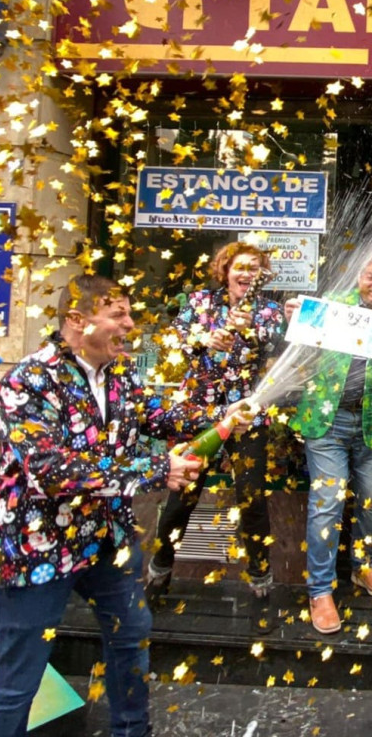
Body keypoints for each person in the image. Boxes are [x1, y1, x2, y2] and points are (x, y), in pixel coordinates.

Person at [0, 274, 250, 737]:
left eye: (129, 313)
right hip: (36, 548)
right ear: (77, 320)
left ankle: (132, 731)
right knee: (19, 677)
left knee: (130, 642)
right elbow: (49, 470)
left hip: (108, 539)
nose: (130, 324)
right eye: (117, 314)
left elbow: (158, 415)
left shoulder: (120, 371)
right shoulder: (30, 379)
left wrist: (219, 417)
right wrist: (155, 470)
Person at [145, 242, 285, 603]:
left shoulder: (268, 309)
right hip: (199, 413)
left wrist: (252, 329)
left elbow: (280, 347)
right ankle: (159, 571)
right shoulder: (199, 302)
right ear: (225, 270)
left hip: (246, 416)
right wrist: (204, 339)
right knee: (182, 497)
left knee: (252, 498)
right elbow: (173, 341)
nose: (247, 273)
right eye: (240, 266)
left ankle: (261, 579)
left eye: (254, 268)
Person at [287, 253, 372, 635]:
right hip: (327, 422)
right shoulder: (332, 307)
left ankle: (363, 566)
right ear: (358, 275)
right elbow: (301, 349)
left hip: (371, 424)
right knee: (328, 503)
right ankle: (320, 590)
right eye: (371, 276)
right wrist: (292, 321)